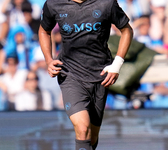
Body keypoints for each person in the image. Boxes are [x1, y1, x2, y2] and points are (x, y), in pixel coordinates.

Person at [39, 0, 133, 150]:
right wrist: (49, 60)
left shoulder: (106, 3)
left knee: (92, 136)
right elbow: (44, 30)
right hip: (70, 73)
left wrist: (117, 64)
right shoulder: (54, 4)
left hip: (100, 75)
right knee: (83, 129)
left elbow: (127, 30)